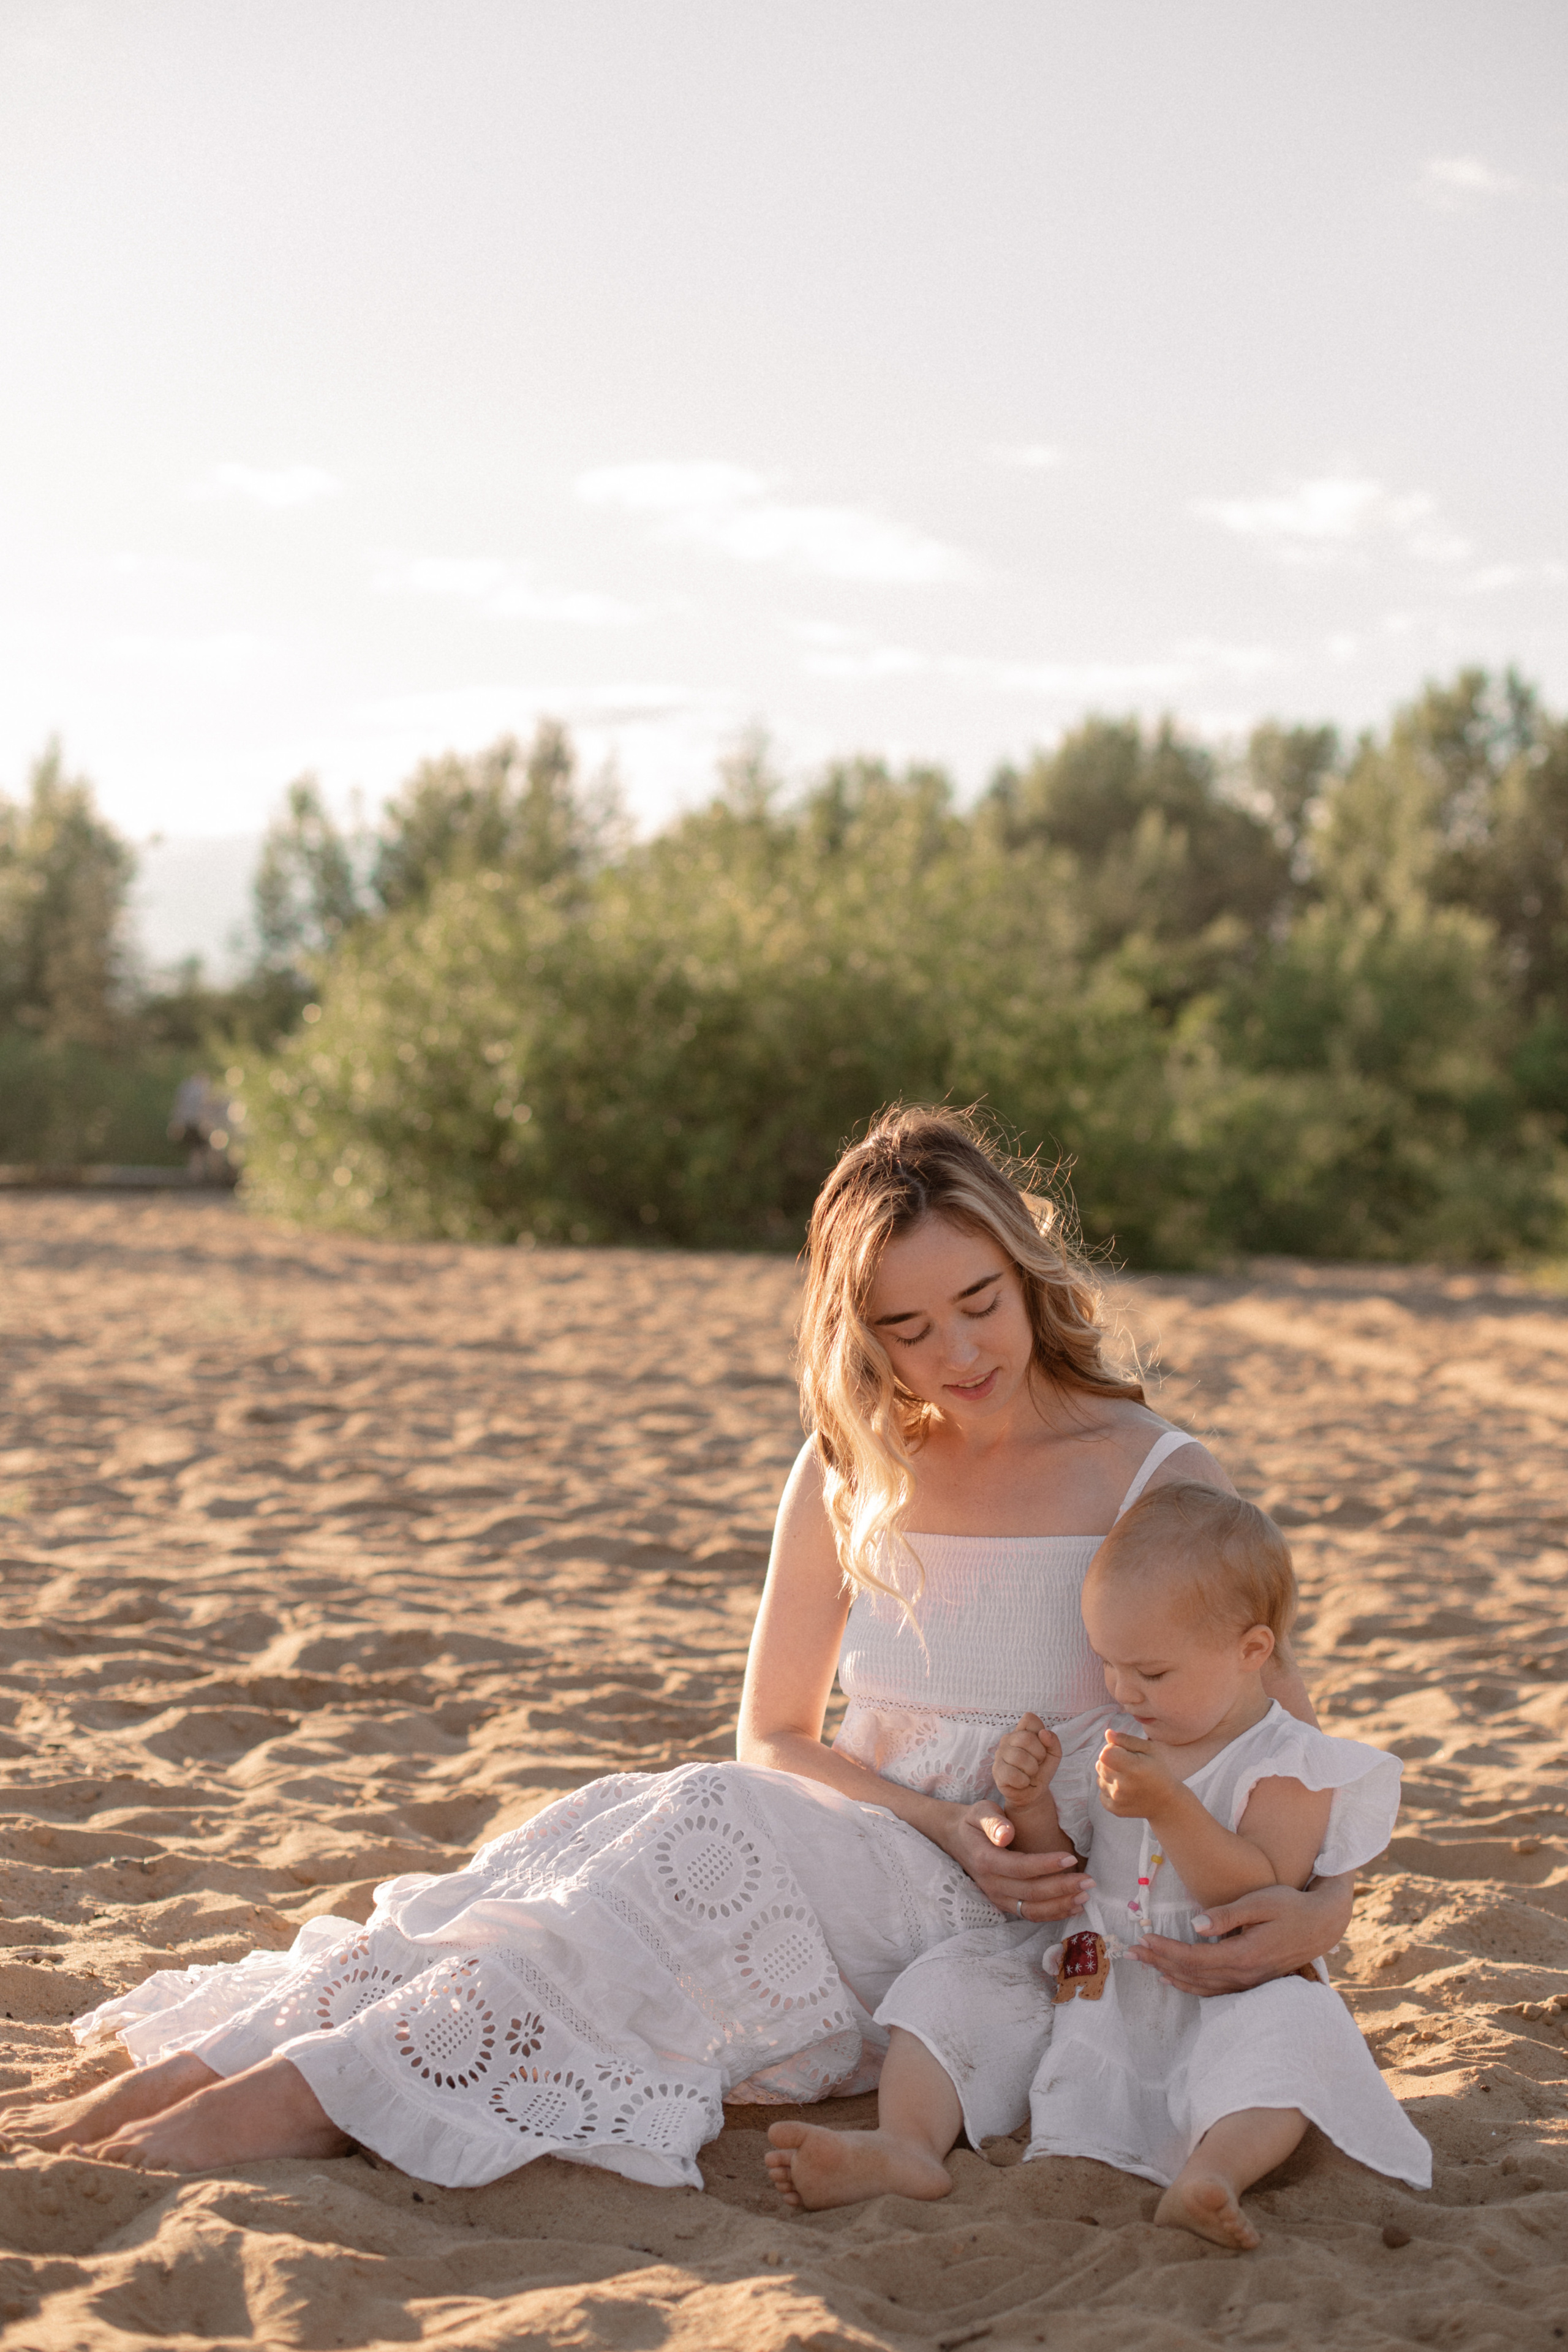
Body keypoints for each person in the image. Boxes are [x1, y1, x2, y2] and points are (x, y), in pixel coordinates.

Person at [0, 1107, 1353, 2188]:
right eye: (908, 1327)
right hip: (880, 1842)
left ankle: (300, 2105)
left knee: (690, 1831)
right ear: (862, 1335)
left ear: (1026, 1272)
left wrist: (1326, 1909)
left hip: (1023, 1915)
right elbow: (773, 1734)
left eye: (978, 1302)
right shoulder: (849, 1466)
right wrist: (937, 1822)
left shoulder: (1151, 1473)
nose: (957, 1350)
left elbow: (1286, 1742)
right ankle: (238, 2070)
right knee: (620, 1837)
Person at [766, 1483, 1429, 2244]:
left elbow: (1260, 1891)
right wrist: (1030, 1803)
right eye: (1109, 1664)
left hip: (1221, 1985)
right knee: (949, 1985)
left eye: (1151, 1673)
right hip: (1088, 1970)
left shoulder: (1288, 1762)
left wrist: (1171, 1807)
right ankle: (906, 2145)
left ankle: (1213, 2175)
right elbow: (1066, 1865)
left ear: (1251, 1651)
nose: (1122, 1689)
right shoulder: (1118, 1733)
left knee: (1291, 2035)